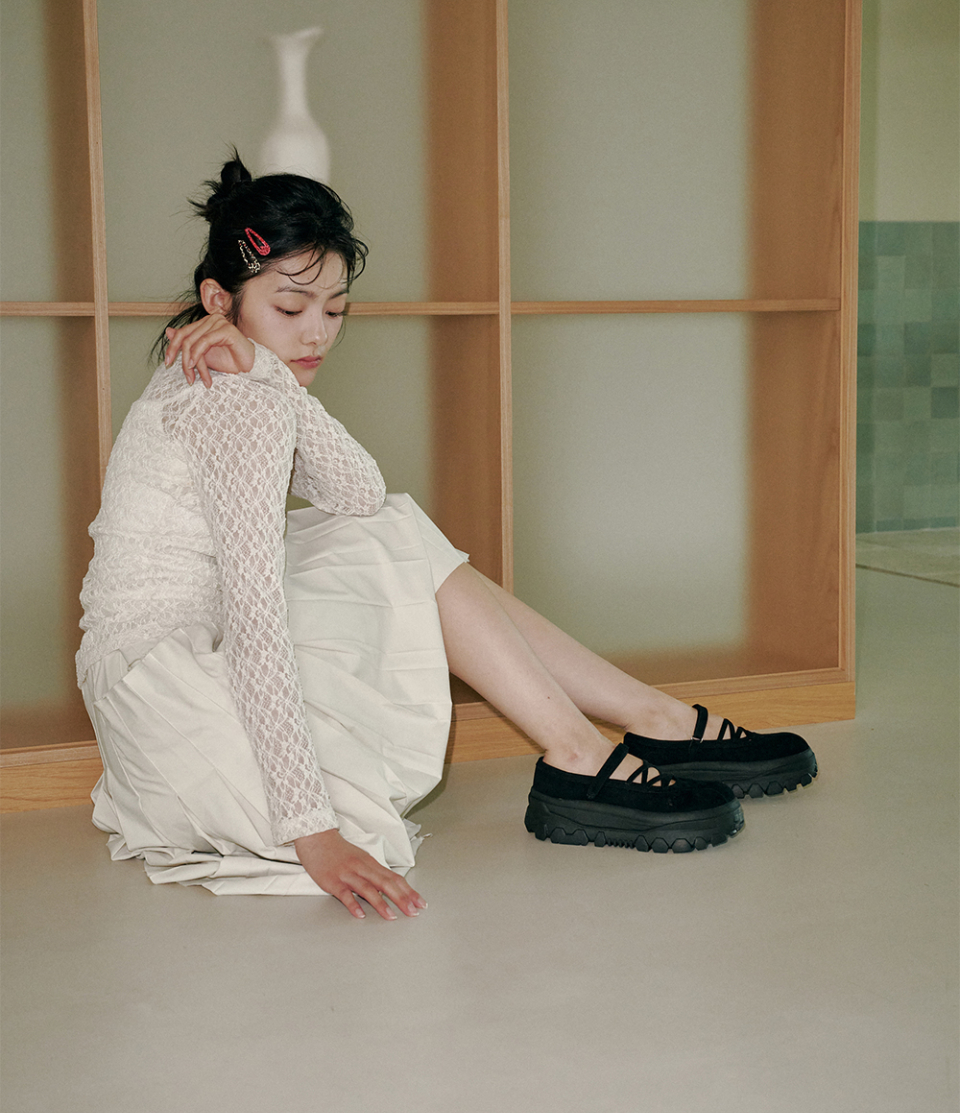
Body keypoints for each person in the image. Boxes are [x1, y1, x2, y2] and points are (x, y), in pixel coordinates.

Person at [76, 146, 815, 924]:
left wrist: (268, 372)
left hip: (147, 676)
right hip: (177, 695)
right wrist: (312, 832)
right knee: (394, 535)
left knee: (388, 528)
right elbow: (257, 621)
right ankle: (604, 743)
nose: (316, 334)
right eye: (290, 310)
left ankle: (635, 728)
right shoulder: (232, 397)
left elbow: (357, 493)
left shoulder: (234, 373)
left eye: (335, 309)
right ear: (217, 299)